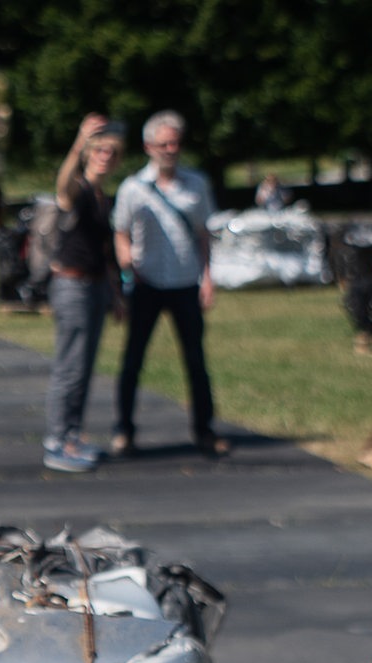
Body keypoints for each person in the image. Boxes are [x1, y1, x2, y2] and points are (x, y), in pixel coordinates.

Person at [112, 111, 227, 458]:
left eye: (175, 143)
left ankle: (204, 430)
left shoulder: (196, 184)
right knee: (133, 359)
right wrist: (125, 260)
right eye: (163, 144)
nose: (170, 150)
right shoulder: (133, 188)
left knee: (195, 359)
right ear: (149, 147)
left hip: (183, 281)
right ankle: (124, 429)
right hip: (146, 283)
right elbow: (120, 231)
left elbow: (204, 235)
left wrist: (207, 278)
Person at [42, 113, 124, 472]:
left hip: (94, 286)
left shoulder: (104, 198)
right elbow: (62, 186)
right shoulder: (78, 190)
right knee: (69, 368)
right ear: (90, 153)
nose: (105, 156)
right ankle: (56, 440)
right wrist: (77, 143)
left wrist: (116, 295)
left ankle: (72, 434)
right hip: (72, 285)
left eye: (112, 152)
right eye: (100, 149)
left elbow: (105, 254)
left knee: (85, 367)